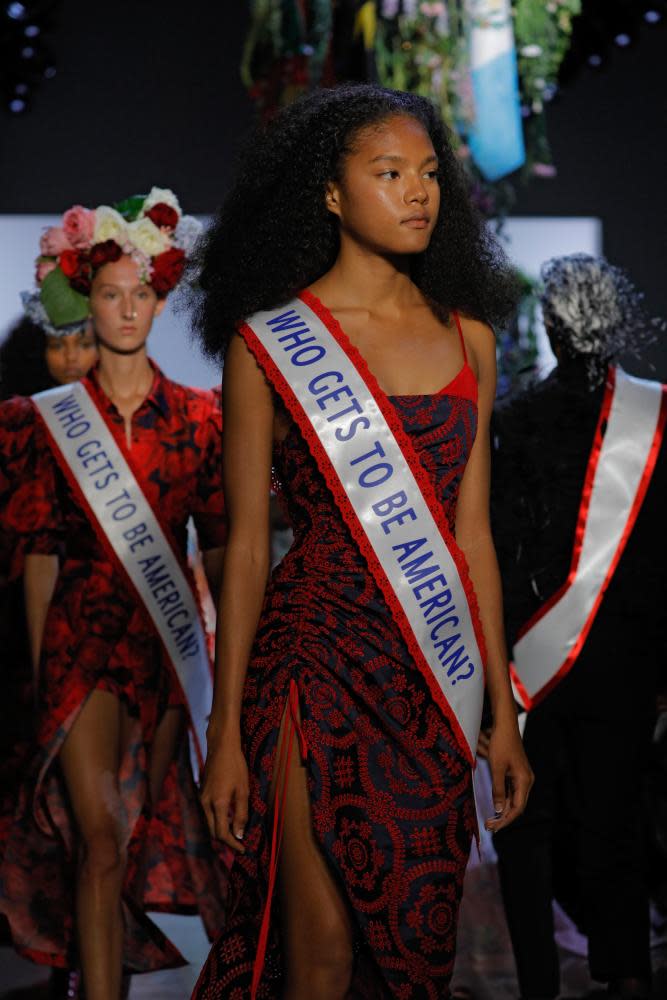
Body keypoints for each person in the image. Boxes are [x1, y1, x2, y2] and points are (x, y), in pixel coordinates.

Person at [190, 84, 533, 1000]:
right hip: (313, 665)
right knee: (323, 959)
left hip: (434, 680)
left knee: (419, 959)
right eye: (387, 174)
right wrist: (225, 734)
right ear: (330, 193)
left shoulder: (472, 340)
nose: (416, 193)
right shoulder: (270, 343)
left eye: (426, 174)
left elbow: (472, 537)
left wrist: (502, 713)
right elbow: (252, 550)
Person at [0, 188, 229, 1000]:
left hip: (161, 647)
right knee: (97, 840)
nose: (126, 309)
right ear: (83, 300)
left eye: (142, 293)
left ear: (161, 300)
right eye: (109, 293)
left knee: (126, 841)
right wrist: (39, 681)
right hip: (75, 644)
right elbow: (37, 558)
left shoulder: (204, 420)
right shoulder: (41, 421)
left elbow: (227, 553)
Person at [491, 254, 666, 1000]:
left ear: (552, 327)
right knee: (614, 821)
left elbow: (497, 548)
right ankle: (624, 971)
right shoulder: (657, 415)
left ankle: (537, 981)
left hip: (529, 663)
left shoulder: (512, 420)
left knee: (526, 830)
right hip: (625, 661)